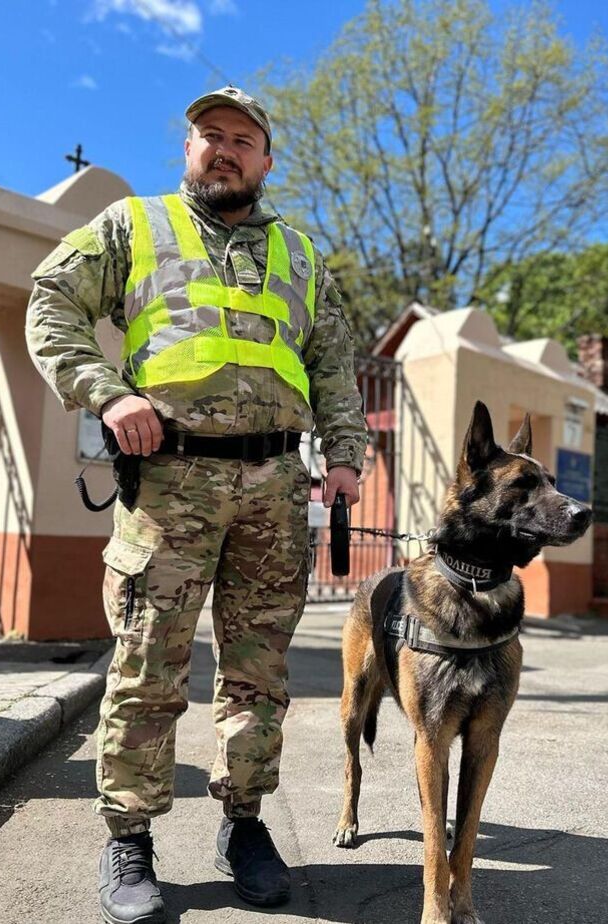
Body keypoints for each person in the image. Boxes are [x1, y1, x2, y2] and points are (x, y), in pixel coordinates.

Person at [26, 86, 367, 923]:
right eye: (210, 135)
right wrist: (106, 393)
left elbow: (331, 363)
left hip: (275, 492)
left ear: (266, 159)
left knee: (260, 676)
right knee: (147, 669)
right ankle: (130, 838)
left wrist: (348, 456)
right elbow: (50, 302)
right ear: (188, 151)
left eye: (243, 139)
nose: (226, 149)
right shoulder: (133, 226)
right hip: (169, 483)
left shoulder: (300, 254)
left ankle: (244, 823)